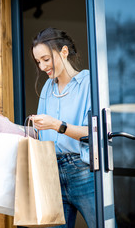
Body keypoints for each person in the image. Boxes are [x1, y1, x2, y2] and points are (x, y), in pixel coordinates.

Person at [30, 27, 95, 228]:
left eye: (46, 59)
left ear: (64, 52)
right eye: (38, 62)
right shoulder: (47, 89)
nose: (42, 67)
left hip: (83, 172)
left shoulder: (89, 83)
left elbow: (93, 133)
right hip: (52, 174)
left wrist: (57, 125)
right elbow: (40, 135)